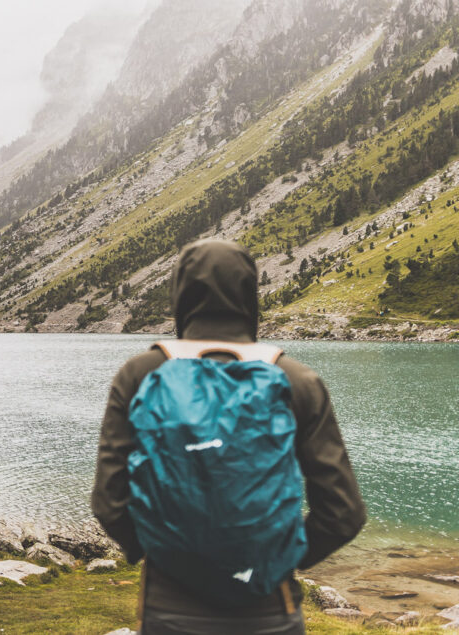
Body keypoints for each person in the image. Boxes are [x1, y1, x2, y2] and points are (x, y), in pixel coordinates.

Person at [92, 239, 366, 634]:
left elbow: (109, 501)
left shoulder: (141, 374)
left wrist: (156, 553)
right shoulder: (297, 380)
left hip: (170, 606)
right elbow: (343, 514)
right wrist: (278, 561)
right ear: (248, 296)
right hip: (271, 608)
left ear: (180, 295)